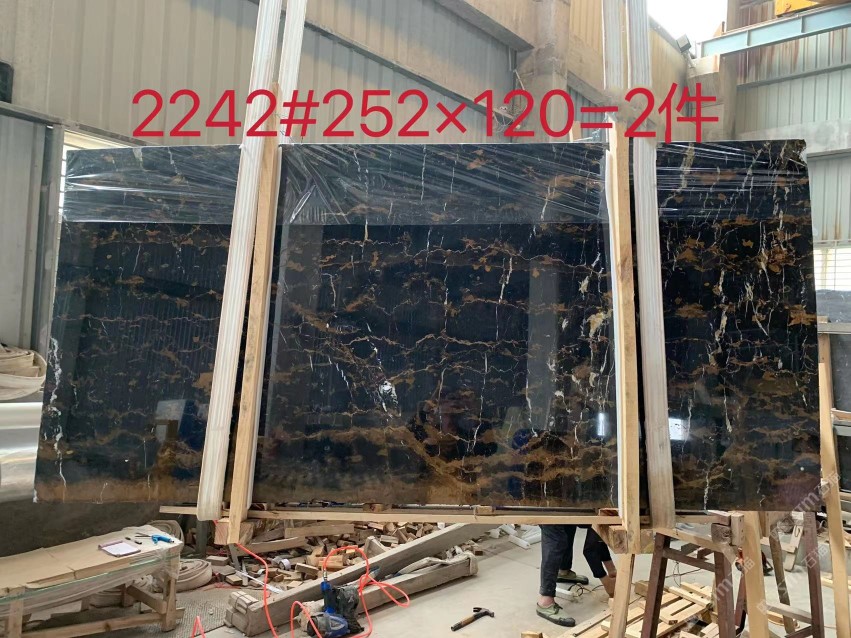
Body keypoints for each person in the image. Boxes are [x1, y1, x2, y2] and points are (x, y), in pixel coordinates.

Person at [537, 525, 618, 627]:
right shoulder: (607, 516)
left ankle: (563, 571)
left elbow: (598, 539)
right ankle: (545, 601)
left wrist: (612, 570)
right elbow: (590, 551)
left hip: (572, 512)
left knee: (568, 526)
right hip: (550, 514)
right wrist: (606, 581)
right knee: (556, 538)